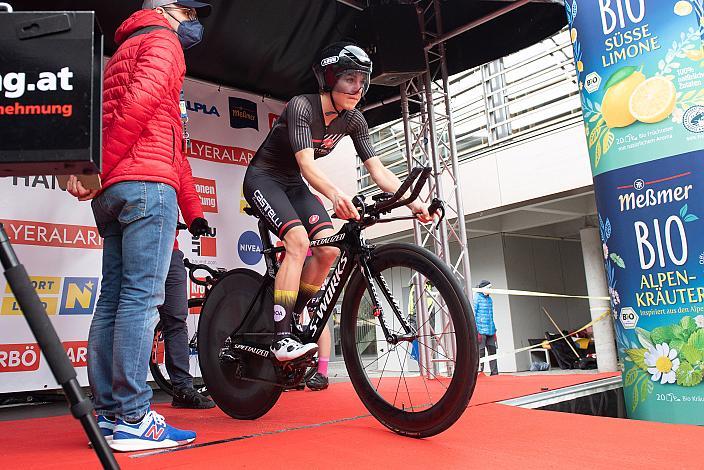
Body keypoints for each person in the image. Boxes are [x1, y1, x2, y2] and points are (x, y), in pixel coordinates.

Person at [67, 0, 211, 452]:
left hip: (120, 190)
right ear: (167, 10)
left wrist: (193, 210)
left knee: (112, 299)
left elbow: (168, 140)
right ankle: (133, 417)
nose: (194, 25)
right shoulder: (164, 41)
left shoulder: (125, 49)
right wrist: (103, 167)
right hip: (143, 186)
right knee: (140, 299)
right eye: (189, 15)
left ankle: (110, 415)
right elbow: (140, 108)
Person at [243, 41, 433, 363]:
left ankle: (292, 313)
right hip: (264, 178)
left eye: (362, 80)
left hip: (293, 185)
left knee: (329, 249)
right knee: (298, 241)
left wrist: (413, 202)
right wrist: (336, 194)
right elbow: (306, 164)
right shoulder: (302, 106)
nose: (357, 88)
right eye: (349, 79)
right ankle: (280, 338)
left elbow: (377, 170)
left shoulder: (353, 120)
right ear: (329, 78)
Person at [474, 280, 498, 376]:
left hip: (491, 330)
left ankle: (495, 372)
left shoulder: (490, 299)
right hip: (481, 330)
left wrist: (494, 329)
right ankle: (480, 372)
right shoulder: (476, 298)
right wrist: (476, 330)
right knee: (481, 352)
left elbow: (491, 316)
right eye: (488, 288)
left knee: (493, 351)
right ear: (483, 289)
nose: (490, 290)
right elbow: (474, 314)